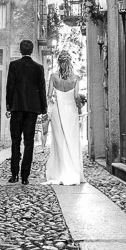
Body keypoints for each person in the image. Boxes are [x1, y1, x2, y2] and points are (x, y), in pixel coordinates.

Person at [5, 39, 47, 184]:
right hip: (32, 109)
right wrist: (43, 108)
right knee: (29, 143)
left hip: (16, 108)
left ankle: (14, 174)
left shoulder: (14, 65)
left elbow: (10, 86)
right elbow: (42, 88)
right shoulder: (38, 68)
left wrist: (8, 105)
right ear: (32, 50)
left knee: (15, 141)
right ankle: (25, 177)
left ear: (21, 50)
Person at [44, 51, 85, 185]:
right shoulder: (76, 79)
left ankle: (60, 171)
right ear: (70, 62)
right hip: (71, 112)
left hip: (57, 111)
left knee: (59, 141)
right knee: (72, 141)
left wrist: (47, 111)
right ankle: (72, 170)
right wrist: (80, 106)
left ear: (59, 63)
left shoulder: (54, 77)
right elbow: (76, 97)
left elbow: (49, 96)